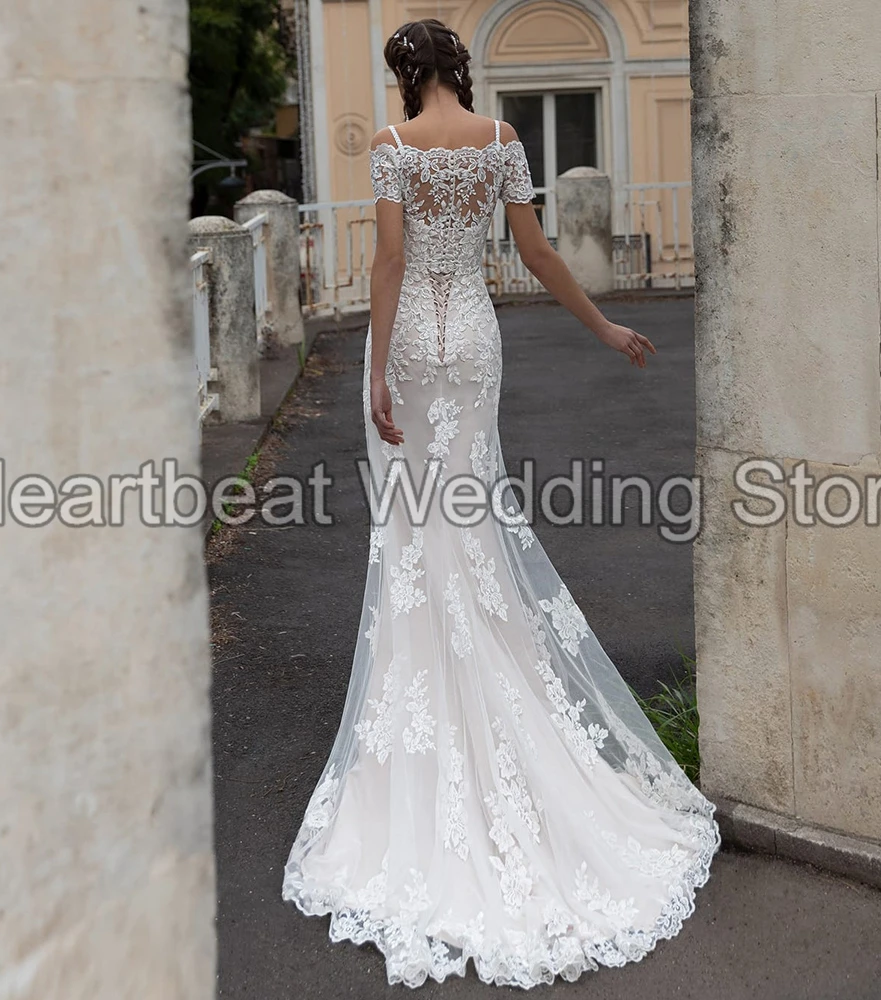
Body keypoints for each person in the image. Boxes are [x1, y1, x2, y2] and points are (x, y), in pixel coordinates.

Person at [283, 17, 720, 989]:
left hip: (412, 346)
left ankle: (436, 693)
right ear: (460, 69)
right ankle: (490, 685)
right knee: (471, 518)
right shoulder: (502, 141)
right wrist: (605, 326)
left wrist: (375, 374)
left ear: (405, 76)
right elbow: (538, 252)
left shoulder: (394, 146)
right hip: (474, 345)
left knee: (417, 528)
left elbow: (388, 263)